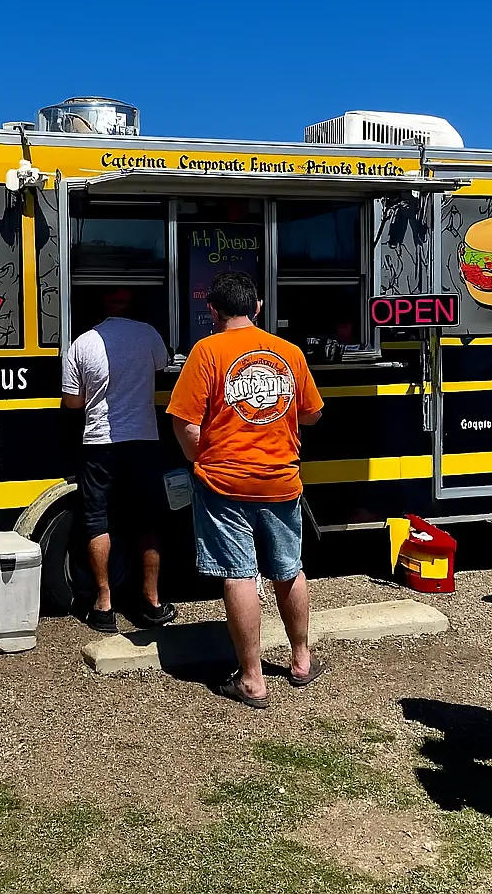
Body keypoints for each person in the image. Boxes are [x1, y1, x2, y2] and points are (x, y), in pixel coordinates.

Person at [166, 271, 324, 709]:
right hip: (281, 479)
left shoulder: (206, 351)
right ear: (257, 307)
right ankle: (301, 661)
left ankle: (253, 680)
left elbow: (184, 421)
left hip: (225, 482)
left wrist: (201, 455)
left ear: (212, 310)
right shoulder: (288, 353)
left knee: (239, 573)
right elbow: (312, 415)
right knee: (289, 569)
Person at [61, 288, 176, 633]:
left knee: (97, 521)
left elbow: (72, 403)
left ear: (103, 303)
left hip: (99, 444)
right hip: (144, 439)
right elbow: (164, 367)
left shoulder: (82, 343)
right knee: (148, 522)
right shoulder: (149, 335)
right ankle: (152, 602)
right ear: (133, 302)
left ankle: (104, 604)